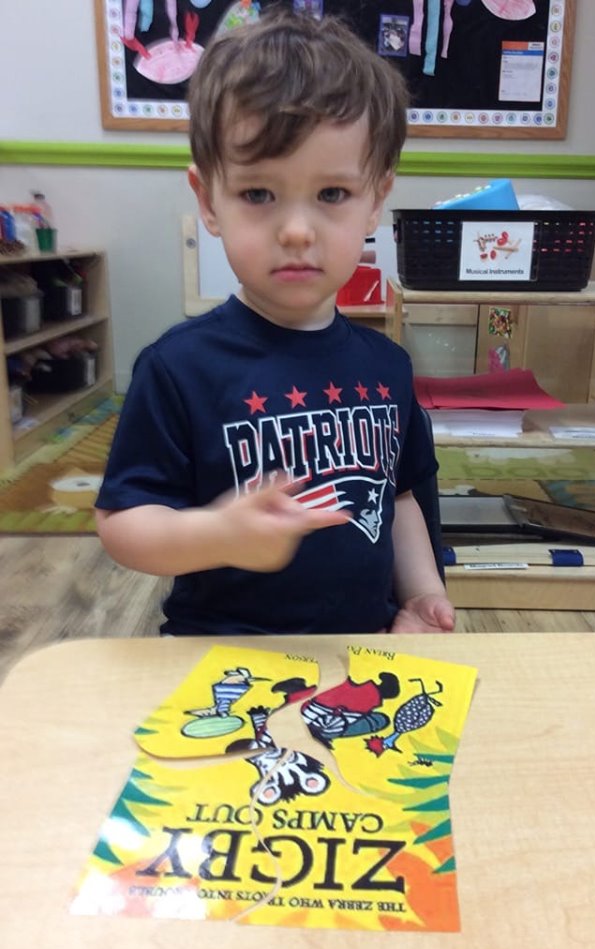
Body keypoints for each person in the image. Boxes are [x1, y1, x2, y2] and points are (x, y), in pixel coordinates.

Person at [95, 9, 455, 638]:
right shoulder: (179, 368)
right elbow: (123, 523)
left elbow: (398, 499)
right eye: (259, 194)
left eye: (332, 194)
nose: (295, 230)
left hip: (361, 652)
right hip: (220, 657)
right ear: (209, 201)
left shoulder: (388, 366)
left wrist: (422, 593)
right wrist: (217, 533)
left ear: (376, 199)